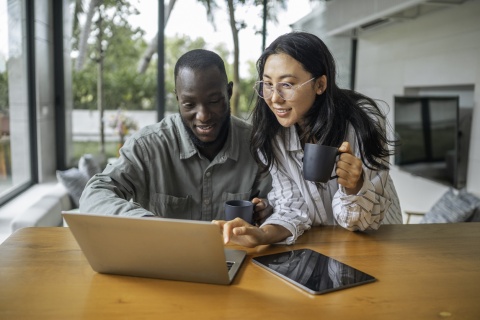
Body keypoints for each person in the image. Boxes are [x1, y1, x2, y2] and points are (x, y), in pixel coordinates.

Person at [214, 32, 402, 247]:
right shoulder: (275, 133)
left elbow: (362, 223)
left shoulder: (363, 124)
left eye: (287, 85)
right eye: (268, 84)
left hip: (382, 244)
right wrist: (263, 234)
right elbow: (292, 205)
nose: (275, 98)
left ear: (320, 84)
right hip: (322, 245)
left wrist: (354, 187)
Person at [79, 49, 272, 223]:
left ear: (228, 92)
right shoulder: (148, 146)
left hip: (235, 258)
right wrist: (146, 221)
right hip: (162, 260)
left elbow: (284, 203)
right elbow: (95, 193)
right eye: (189, 104)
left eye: (213, 101)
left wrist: (269, 209)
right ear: (178, 99)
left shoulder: (256, 144)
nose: (203, 115)